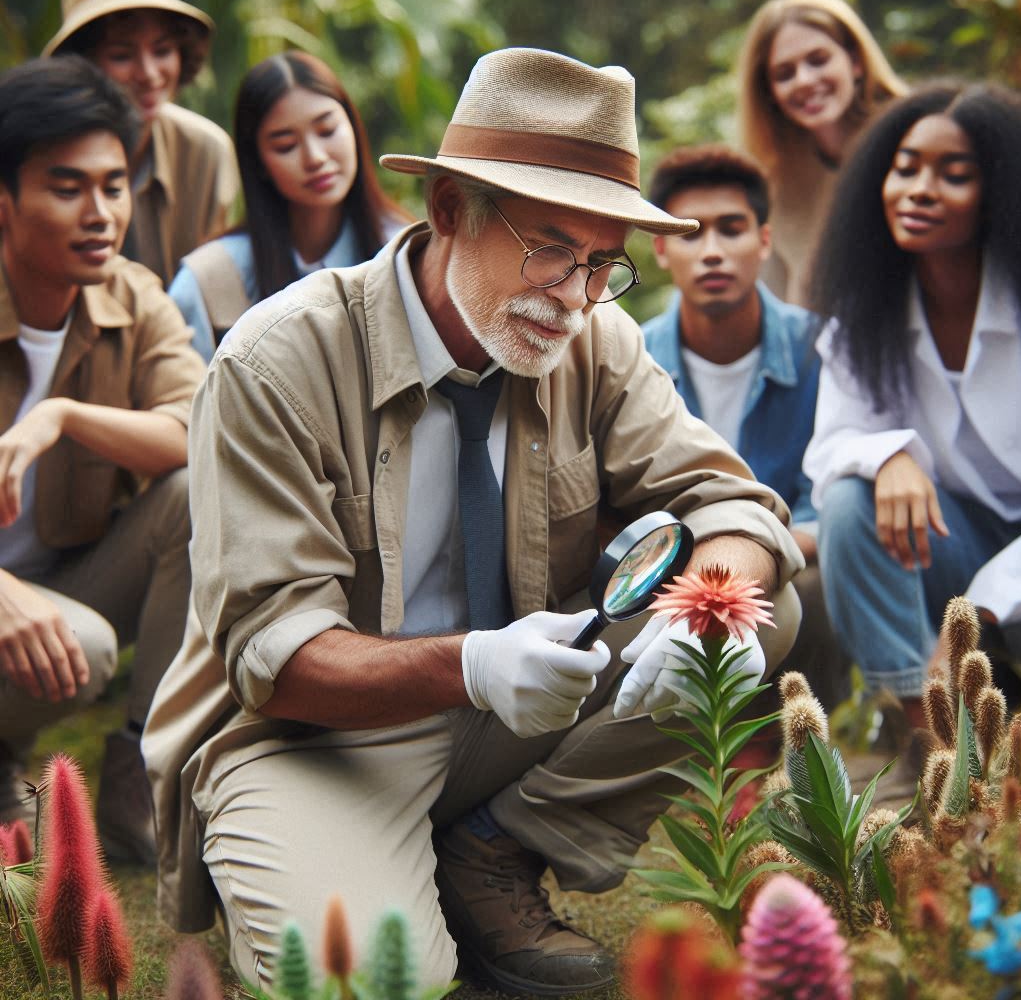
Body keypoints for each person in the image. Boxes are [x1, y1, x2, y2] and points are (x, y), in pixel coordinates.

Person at [143, 48, 804, 996]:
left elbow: (730, 503)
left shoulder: (594, 341)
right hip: (313, 737)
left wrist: (717, 610)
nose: (574, 298)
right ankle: (355, 863)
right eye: (549, 248)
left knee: (753, 601)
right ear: (448, 211)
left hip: (516, 713)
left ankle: (490, 854)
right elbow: (271, 655)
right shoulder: (275, 361)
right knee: (370, 976)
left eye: (603, 264)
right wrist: (474, 664)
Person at [0, 56, 205, 861]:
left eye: (114, 185)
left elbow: (199, 431)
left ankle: (136, 774)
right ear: (5, 202)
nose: (100, 212)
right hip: (27, 608)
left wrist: (61, 415)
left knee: (198, 496)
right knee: (76, 646)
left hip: (64, 590)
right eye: (66, 187)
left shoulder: (134, 297)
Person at [804, 81, 1021, 740]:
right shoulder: (863, 320)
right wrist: (889, 455)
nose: (920, 190)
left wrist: (977, 613)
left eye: (954, 175)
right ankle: (932, 741)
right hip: (958, 548)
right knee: (849, 501)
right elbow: (833, 445)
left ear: (999, 198)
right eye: (905, 169)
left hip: (1008, 572)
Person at [642, 143, 845, 714]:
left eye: (731, 229)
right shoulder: (633, 358)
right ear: (660, 248)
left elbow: (827, 506)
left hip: (788, 570)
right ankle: (675, 761)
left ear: (763, 239)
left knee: (816, 587)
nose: (712, 252)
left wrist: (753, 553)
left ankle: (800, 748)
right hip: (673, 570)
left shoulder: (820, 349)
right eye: (690, 233)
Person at [169, 51, 411, 362]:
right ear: (257, 162)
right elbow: (185, 403)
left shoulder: (405, 256)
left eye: (327, 131)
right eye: (286, 145)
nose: (315, 157)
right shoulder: (209, 281)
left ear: (353, 127)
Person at [44, 0, 240, 286]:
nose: (149, 74)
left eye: (162, 51)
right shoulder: (39, 152)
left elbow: (209, 285)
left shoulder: (205, 151)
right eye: (122, 56)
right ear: (81, 64)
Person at [736, 0, 905, 306]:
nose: (804, 81)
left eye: (818, 60)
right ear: (769, 91)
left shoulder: (914, 139)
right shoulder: (775, 185)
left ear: (855, 60)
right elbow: (777, 307)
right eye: (784, 73)